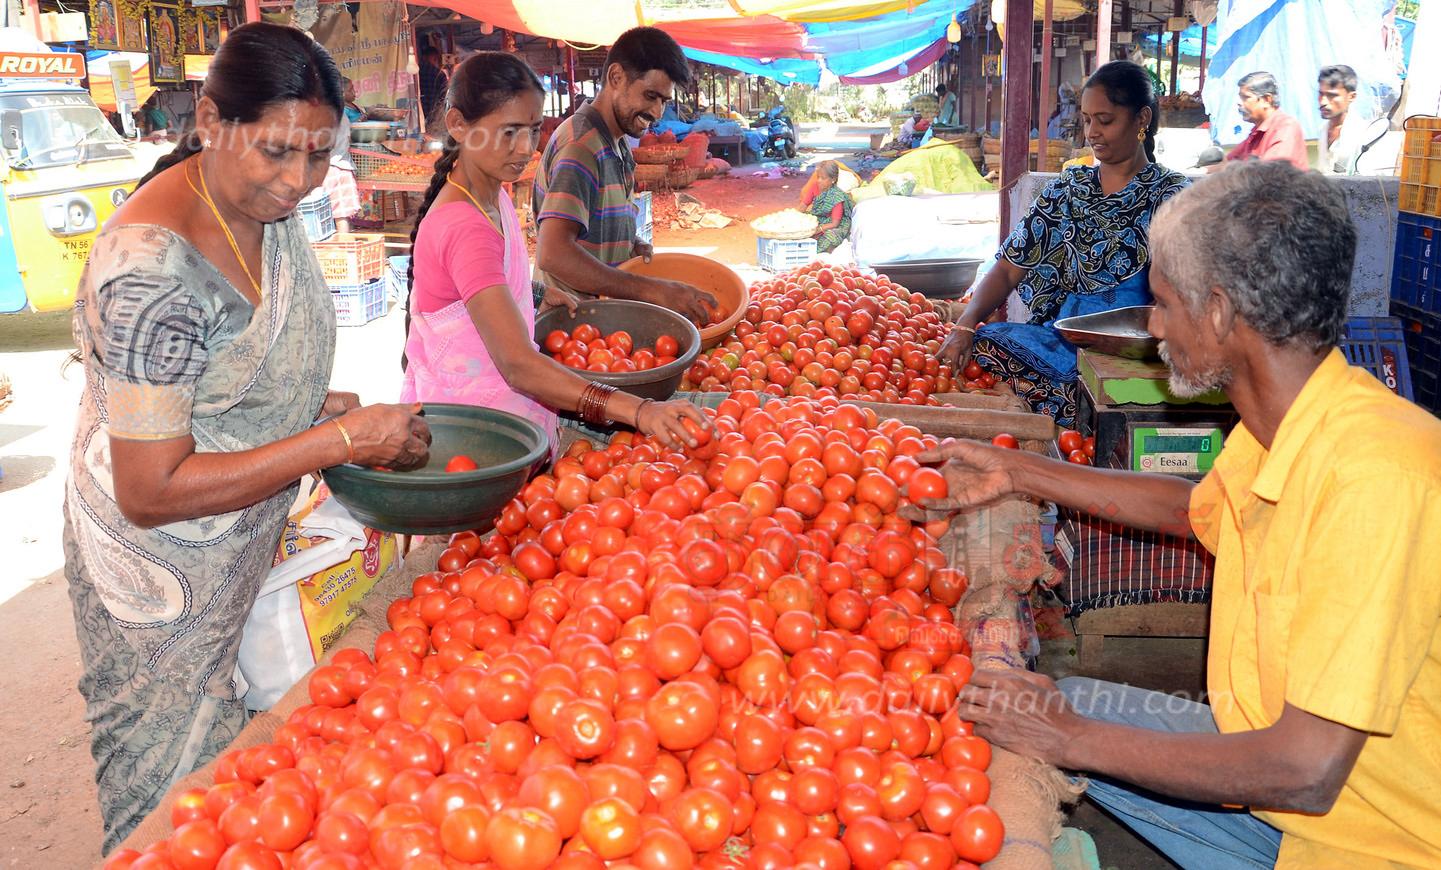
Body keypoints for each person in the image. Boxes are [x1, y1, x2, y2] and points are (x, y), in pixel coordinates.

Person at [914, 160, 1441, 870]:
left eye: (1163, 302)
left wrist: (1065, 739)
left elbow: (1305, 773)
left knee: (1059, 721)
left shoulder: (1380, 475)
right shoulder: (1290, 425)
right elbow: (1192, 508)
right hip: (1270, 776)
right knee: (1058, 699)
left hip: (1359, 839)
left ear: (1220, 312)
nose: (1155, 327)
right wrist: (1016, 468)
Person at [64, 23, 429, 853]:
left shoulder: (260, 207)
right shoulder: (150, 270)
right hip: (155, 580)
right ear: (210, 120)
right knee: (170, 794)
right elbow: (150, 489)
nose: (297, 181)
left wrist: (312, 407)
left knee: (235, 764)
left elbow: (235, 376)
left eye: (318, 155)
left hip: (237, 537)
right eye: (275, 152)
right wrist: (335, 444)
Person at [402, 52, 711, 452]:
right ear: (459, 125)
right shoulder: (464, 224)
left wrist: (531, 293)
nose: (525, 148)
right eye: (509, 132)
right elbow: (517, 365)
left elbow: (473, 288)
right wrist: (637, 411)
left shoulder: (490, 192)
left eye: (532, 130)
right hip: (475, 435)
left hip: (504, 420)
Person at [937, 61, 1188, 426]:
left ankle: (1064, 416)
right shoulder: (1068, 190)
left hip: (1134, 352)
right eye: (1087, 120)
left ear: (1142, 119)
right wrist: (965, 326)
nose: (1092, 133)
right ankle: (1061, 415)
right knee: (985, 343)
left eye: (1105, 120)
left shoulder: (1172, 197)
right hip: (1060, 342)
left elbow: (1184, 293)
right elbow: (1008, 269)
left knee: (1097, 393)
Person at [533, 26, 716, 325]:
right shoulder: (581, 147)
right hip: (573, 328)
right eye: (650, 96)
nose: (657, 112)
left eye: (664, 101)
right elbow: (553, 254)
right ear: (616, 77)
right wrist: (650, 289)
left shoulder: (616, 143)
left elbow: (591, 217)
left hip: (602, 321)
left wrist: (628, 242)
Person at [1222, 70, 1308, 171]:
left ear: (1267, 100)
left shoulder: (1286, 127)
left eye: (1245, 98)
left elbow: (1269, 173)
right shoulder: (1256, 131)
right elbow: (1227, 164)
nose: (1239, 103)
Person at [323, 77, 364, 232]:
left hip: (329, 167)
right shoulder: (336, 112)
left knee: (332, 215)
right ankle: (345, 248)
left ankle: (342, 246)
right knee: (341, 216)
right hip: (338, 168)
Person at [1316, 64, 1367, 175]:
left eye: (1331, 95)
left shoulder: (1363, 134)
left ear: (1352, 97)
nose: (1323, 102)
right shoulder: (1323, 130)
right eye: (1321, 94)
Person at [801, 160, 854, 253]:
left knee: (830, 237)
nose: (819, 180)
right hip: (818, 219)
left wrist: (818, 229)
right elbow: (803, 205)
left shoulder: (837, 197)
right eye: (818, 177)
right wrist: (793, 217)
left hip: (834, 225)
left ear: (833, 179)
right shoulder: (814, 186)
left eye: (823, 178)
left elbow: (835, 224)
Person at [418, 44, 448, 128]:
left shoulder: (414, 72)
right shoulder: (439, 75)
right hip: (432, 118)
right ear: (435, 58)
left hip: (416, 116)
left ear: (423, 57)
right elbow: (444, 98)